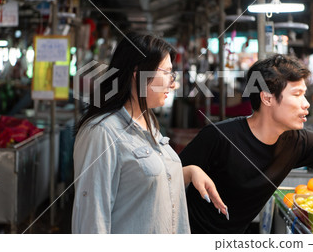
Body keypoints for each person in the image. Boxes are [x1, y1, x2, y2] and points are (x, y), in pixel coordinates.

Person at [179, 54, 313, 234]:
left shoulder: (298, 142)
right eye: (297, 94)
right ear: (267, 98)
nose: (307, 104)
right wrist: (190, 172)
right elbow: (165, 178)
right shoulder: (218, 137)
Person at [72, 32, 227, 234]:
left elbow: (137, 182)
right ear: (139, 74)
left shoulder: (148, 122)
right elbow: (92, 219)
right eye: (168, 73)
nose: (173, 83)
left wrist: (188, 173)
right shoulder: (102, 133)